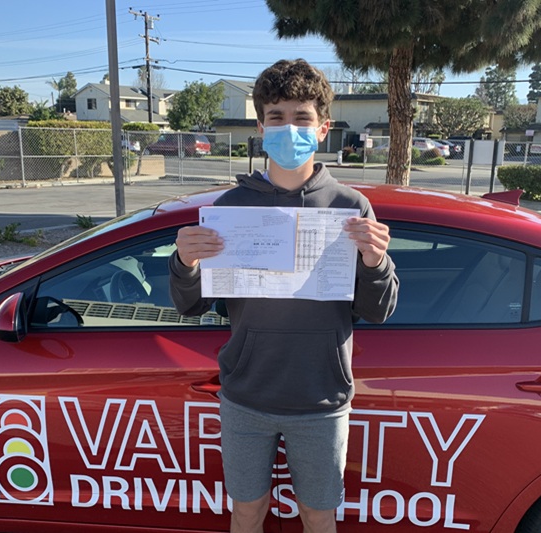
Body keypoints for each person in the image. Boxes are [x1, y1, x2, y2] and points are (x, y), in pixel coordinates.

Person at [169, 59, 398, 533]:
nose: (289, 128)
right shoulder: (230, 209)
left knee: (318, 515)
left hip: (321, 399)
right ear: (260, 127)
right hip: (246, 396)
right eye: (276, 117)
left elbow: (377, 310)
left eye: (302, 117)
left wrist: (376, 262)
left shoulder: (351, 207)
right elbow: (191, 305)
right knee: (247, 511)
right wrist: (185, 263)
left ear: (323, 128)